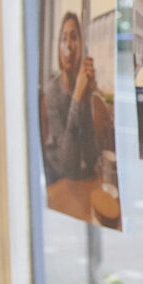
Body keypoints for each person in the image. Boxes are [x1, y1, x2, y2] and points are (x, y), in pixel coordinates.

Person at [40, 12, 99, 185]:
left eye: (74, 38)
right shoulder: (52, 93)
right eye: (63, 39)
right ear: (58, 48)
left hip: (77, 181)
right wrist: (78, 96)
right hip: (57, 181)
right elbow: (68, 166)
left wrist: (87, 100)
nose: (69, 47)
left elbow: (91, 157)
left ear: (81, 46)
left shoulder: (83, 88)